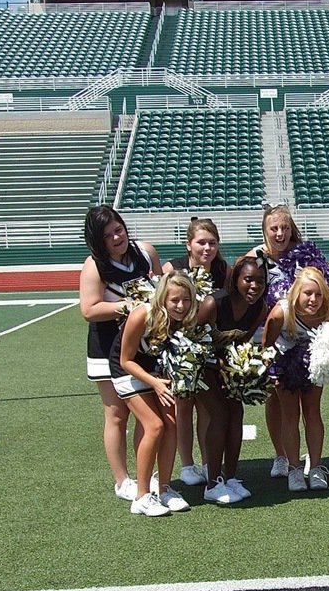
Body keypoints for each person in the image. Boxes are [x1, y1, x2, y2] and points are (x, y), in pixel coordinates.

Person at [79, 205, 160, 502]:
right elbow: (88, 309)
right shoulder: (94, 265)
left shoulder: (145, 251)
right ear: (97, 241)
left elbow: (160, 290)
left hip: (143, 346)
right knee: (116, 414)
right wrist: (127, 305)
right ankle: (122, 480)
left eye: (118, 229)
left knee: (145, 415)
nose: (116, 237)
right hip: (106, 347)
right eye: (108, 235)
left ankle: (144, 474)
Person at [109, 272, 201, 517]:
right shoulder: (143, 314)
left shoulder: (186, 319)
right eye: (174, 301)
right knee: (155, 426)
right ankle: (141, 496)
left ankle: (164, 488)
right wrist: (156, 384)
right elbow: (125, 360)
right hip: (127, 371)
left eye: (186, 300)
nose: (181, 306)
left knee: (171, 424)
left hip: (156, 370)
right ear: (162, 299)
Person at [196, 251, 270, 505]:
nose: (254, 286)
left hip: (225, 367)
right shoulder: (213, 304)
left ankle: (230, 477)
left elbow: (242, 342)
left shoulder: (259, 307)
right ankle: (212, 482)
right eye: (249, 279)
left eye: (260, 281)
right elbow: (189, 342)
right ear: (236, 279)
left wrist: (242, 367)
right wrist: (215, 364)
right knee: (219, 414)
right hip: (199, 365)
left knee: (235, 413)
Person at [163, 218, 229, 487]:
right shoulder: (173, 268)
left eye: (212, 243)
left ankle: (206, 461)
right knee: (183, 405)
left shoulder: (223, 270)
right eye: (201, 242)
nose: (207, 248)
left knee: (207, 408)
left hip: (210, 348)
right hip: (178, 347)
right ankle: (187, 464)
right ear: (188, 244)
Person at [263, 266, 329, 494]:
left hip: (313, 364)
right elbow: (266, 344)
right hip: (286, 365)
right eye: (308, 293)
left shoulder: (328, 311)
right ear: (297, 293)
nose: (313, 299)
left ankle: (315, 467)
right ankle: (294, 468)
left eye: (318, 294)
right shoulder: (280, 313)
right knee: (290, 414)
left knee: (313, 412)